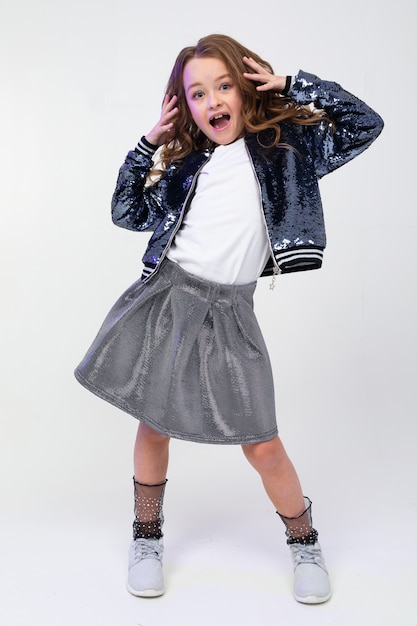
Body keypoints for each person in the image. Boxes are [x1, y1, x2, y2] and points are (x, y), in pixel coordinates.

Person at [74, 33, 383, 604]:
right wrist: (147, 144)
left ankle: (304, 540)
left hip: (231, 310)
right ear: (184, 106)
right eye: (197, 93)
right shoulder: (186, 166)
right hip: (168, 297)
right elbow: (126, 211)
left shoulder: (288, 151)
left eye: (223, 86)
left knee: (261, 442)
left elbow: (365, 124)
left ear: (245, 90)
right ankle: (146, 535)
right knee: (153, 421)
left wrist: (293, 84)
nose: (213, 100)